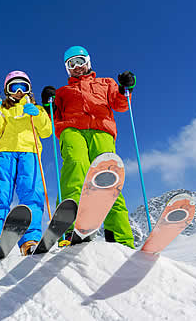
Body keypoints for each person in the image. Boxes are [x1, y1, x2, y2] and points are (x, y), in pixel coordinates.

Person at [41, 46, 136, 249]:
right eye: (71, 64)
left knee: (108, 178)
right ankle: (71, 228)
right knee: (76, 165)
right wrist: (48, 103)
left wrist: (124, 88)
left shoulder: (105, 83)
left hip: (102, 130)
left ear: (88, 62)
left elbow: (121, 105)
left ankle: (121, 240)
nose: (76, 67)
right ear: (67, 69)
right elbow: (51, 118)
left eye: (79, 61)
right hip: (71, 129)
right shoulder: (63, 92)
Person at [0, 71, 52, 262]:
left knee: (32, 195)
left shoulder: (34, 108)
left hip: (30, 153)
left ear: (29, 89)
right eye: (14, 87)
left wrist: (37, 114)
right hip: (5, 153)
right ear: (6, 90)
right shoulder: (3, 108)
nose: (19, 91)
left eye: (23, 87)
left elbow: (46, 131)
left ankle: (31, 240)